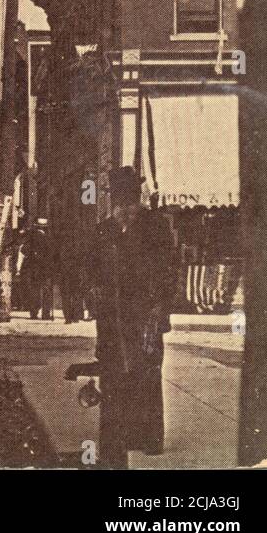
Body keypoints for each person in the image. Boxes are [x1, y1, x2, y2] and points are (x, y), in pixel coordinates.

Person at [90, 166, 174, 466]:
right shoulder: (104, 229)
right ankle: (126, 433)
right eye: (120, 202)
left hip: (146, 314)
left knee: (148, 374)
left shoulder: (156, 226)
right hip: (113, 318)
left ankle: (151, 438)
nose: (125, 209)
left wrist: (160, 310)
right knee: (117, 377)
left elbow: (167, 272)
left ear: (139, 199)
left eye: (131, 201)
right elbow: (95, 272)